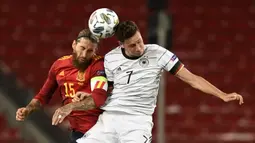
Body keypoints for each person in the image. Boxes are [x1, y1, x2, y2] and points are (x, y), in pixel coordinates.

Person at [73, 21, 244, 143]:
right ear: (121, 45)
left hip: (138, 121)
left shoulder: (158, 53)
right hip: (110, 118)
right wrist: (89, 95)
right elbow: (107, 90)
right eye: (132, 45)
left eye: (139, 41)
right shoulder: (110, 58)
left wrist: (222, 94)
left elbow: (192, 79)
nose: (139, 48)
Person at [15, 29, 109, 143]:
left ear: (95, 51)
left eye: (90, 51)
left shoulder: (98, 65)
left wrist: (70, 107)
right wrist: (28, 109)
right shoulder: (59, 65)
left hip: (101, 131)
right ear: (74, 44)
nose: (84, 55)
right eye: (82, 48)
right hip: (78, 132)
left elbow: (98, 98)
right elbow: (43, 96)